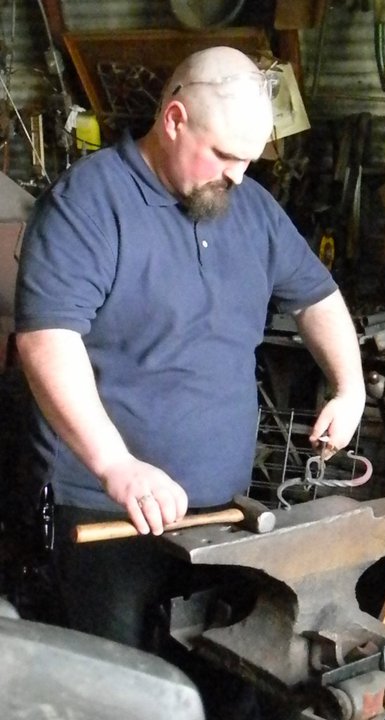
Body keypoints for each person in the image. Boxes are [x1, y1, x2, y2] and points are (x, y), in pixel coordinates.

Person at [14, 45, 365, 714]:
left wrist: (349, 387)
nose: (238, 176)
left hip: (225, 516)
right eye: (226, 156)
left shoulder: (252, 209)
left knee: (225, 687)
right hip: (107, 514)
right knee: (118, 697)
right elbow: (45, 341)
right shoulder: (89, 204)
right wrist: (117, 464)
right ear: (173, 118)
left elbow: (316, 295)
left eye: (249, 161)